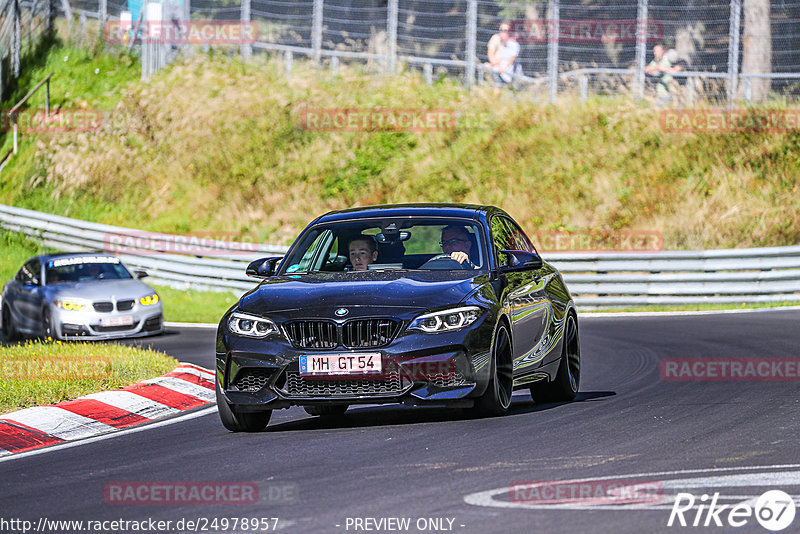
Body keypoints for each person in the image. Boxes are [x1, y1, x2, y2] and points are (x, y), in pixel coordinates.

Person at [485, 21, 520, 95]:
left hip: (509, 72)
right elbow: (490, 53)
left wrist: (503, 68)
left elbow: (511, 59)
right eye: (501, 30)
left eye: (505, 31)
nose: (502, 33)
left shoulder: (513, 44)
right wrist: (494, 64)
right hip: (497, 68)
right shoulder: (496, 38)